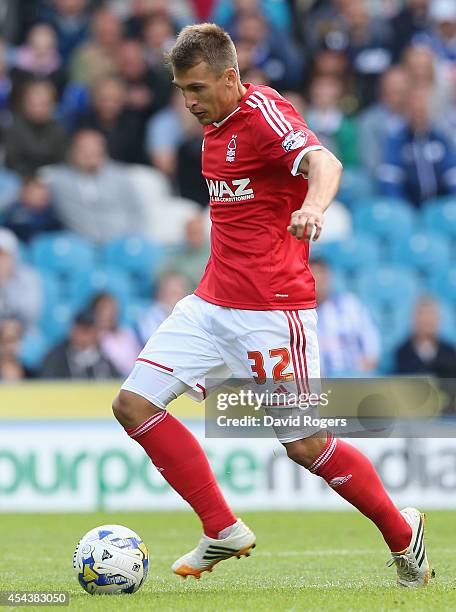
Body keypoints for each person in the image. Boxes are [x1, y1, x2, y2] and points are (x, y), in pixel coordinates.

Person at [112, 24, 429, 587]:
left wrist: (312, 206)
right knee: (133, 405)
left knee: (304, 445)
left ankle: (403, 534)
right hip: (209, 304)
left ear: (231, 77)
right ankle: (222, 527)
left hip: (272, 313)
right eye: (183, 90)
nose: (190, 102)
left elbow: (324, 163)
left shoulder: (263, 115)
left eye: (199, 88)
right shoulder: (214, 123)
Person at [41, 129, 146, 243]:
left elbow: (137, 213)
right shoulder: (58, 179)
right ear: (72, 152)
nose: (90, 154)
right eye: (84, 149)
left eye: (95, 149)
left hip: (121, 244)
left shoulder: (121, 176)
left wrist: (131, 240)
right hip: (80, 247)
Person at [378, 86, 456, 206]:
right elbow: (390, 181)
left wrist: (450, 203)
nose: (418, 115)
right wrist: (403, 210)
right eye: (414, 111)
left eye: (422, 111)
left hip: (440, 206)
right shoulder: (396, 141)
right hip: (409, 208)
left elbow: (452, 174)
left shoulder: (440, 139)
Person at [311, 258, 380, 376]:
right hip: (323, 384)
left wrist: (368, 362)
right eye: (314, 275)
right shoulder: (300, 316)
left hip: (356, 379)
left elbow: (370, 337)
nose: (319, 281)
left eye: (322, 274)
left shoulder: (350, 303)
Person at [4, 79, 67, 176]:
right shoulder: (13, 127)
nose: (38, 108)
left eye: (43, 104)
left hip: (50, 177)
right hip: (19, 177)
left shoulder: (58, 128)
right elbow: (12, 160)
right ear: (24, 103)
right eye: (33, 103)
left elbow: (62, 160)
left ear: (53, 105)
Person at [40, 308, 119, 379]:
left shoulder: (103, 357)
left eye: (92, 331)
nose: (87, 337)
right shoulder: (56, 357)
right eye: (84, 331)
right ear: (73, 331)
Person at [394, 296, 456, 378]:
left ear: (438, 319)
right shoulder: (403, 352)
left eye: (431, 314)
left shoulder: (449, 352)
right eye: (422, 314)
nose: (427, 320)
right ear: (414, 319)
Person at [0, 228, 42, 331]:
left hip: (20, 334)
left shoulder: (28, 277)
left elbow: (30, 314)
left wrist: (3, 282)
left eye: (2, 255)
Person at [2, 174, 62, 243]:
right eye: (34, 192)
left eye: (43, 193)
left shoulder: (53, 214)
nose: (41, 195)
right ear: (24, 193)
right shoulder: (13, 212)